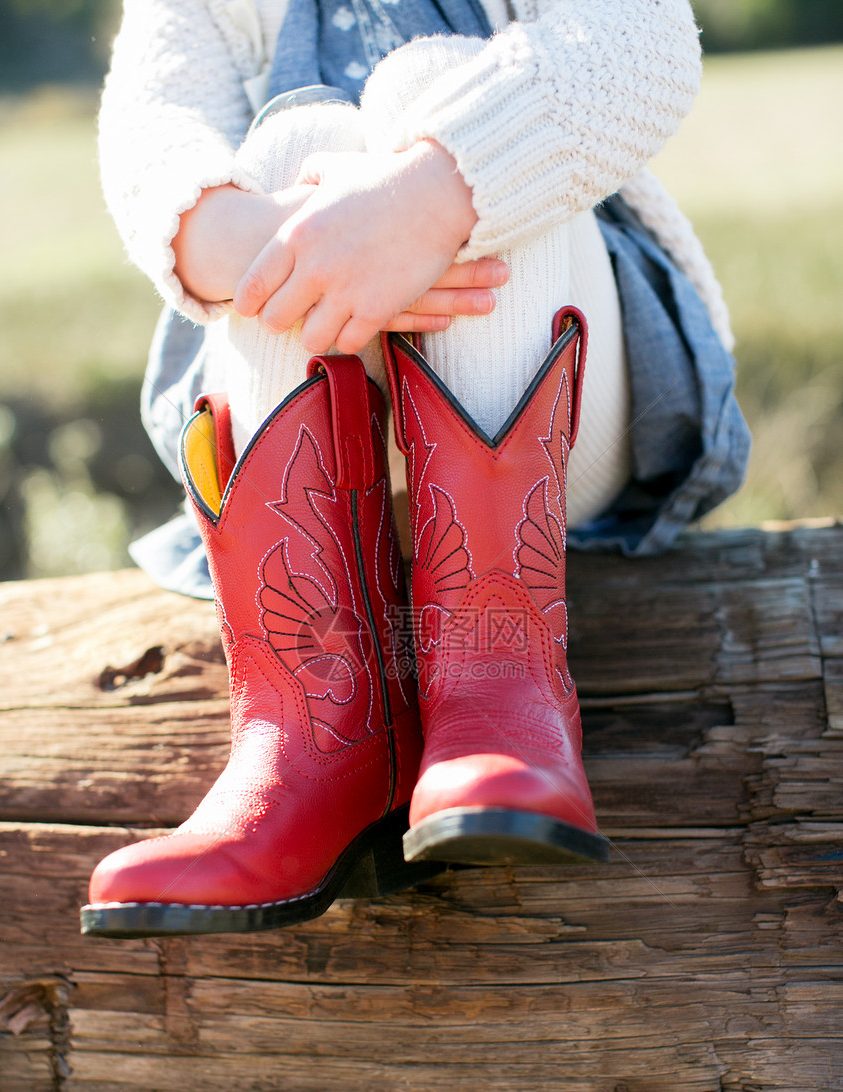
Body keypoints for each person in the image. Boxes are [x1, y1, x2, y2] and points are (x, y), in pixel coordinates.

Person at [80, 0, 750, 938]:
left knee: (439, 91)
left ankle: (499, 692)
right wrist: (272, 243)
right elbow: (152, 117)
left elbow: (643, 34)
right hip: (309, 415)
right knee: (294, 143)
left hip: (555, 392)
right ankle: (314, 741)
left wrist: (420, 208)